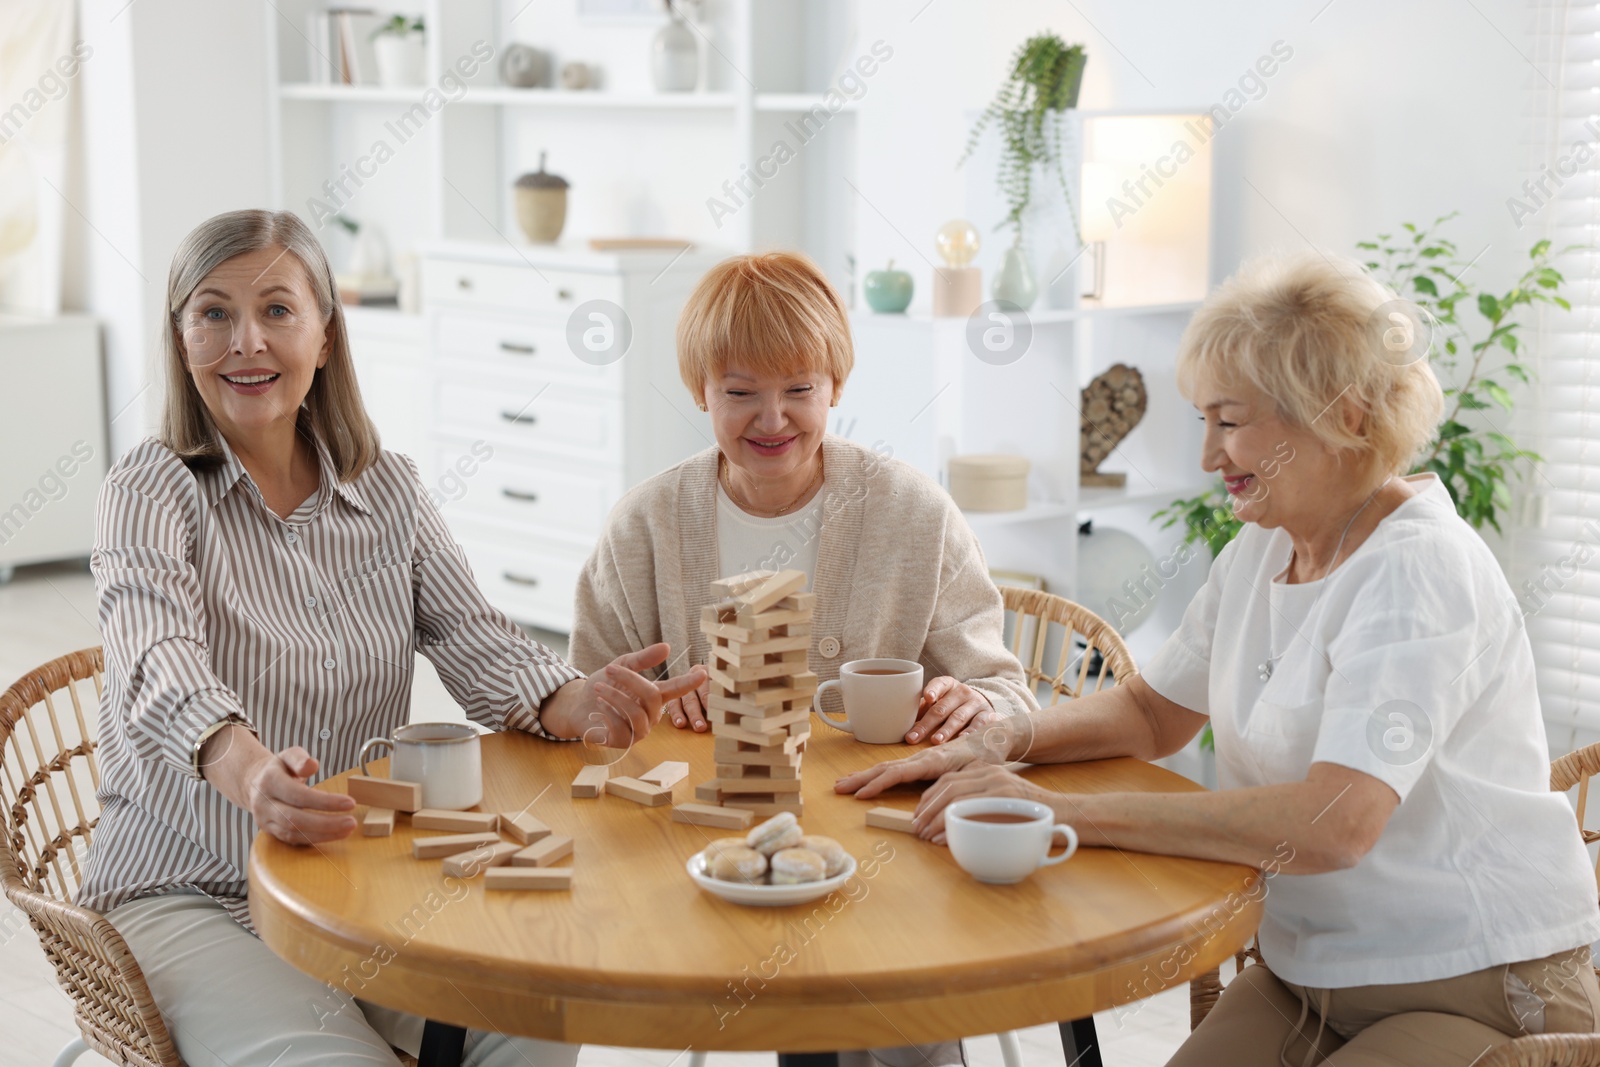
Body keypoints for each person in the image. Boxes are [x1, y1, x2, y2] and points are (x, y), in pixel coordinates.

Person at [838, 253, 1600, 1066]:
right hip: (1311, 973)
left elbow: (1334, 823)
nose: (1208, 454)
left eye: (1228, 421)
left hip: (1475, 977)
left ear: (1340, 416)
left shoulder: (1416, 570)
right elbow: (1151, 712)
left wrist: (1063, 811)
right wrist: (1000, 738)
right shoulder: (1262, 547)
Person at [77, 209, 704, 1067]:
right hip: (187, 888)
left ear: (326, 338)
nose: (246, 342)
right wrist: (251, 771)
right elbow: (156, 659)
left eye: (278, 311)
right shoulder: (149, 488)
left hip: (355, 883)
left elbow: (478, 638)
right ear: (180, 336)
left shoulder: (390, 491)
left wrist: (577, 698)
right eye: (213, 312)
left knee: (538, 1019)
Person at [570, 250, 1036, 1067]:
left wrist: (981, 706)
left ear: (836, 388)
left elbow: (1005, 686)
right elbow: (585, 702)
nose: (772, 419)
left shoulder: (913, 511)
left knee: (899, 1011)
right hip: (705, 846)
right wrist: (640, 704)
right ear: (700, 394)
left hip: (886, 843)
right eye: (740, 392)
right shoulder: (645, 523)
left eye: (800, 390)